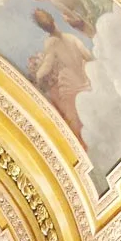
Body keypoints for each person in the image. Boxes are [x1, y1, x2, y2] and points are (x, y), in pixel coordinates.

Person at [25, 9, 94, 148]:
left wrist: (37, 78)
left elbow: (47, 65)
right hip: (85, 81)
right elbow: (88, 57)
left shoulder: (51, 43)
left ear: (42, 27)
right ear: (53, 21)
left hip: (72, 87)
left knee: (73, 122)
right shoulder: (71, 37)